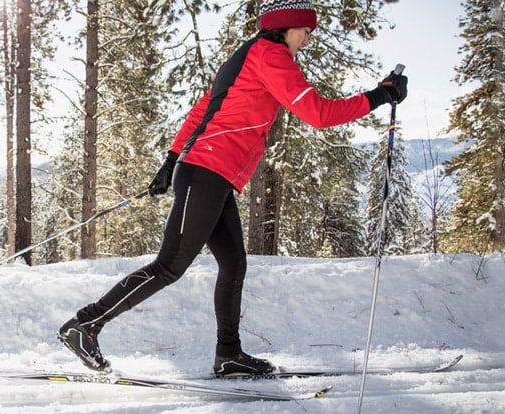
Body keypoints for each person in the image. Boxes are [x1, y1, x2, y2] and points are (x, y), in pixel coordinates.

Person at [58, 0, 408, 377]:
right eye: (306, 29)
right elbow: (319, 114)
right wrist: (380, 95)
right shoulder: (272, 56)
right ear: (288, 26)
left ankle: (229, 354)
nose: (309, 37)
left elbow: (203, 109)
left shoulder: (246, 56)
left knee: (233, 264)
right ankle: (86, 325)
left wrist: (172, 158)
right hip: (207, 169)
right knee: (170, 265)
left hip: (213, 173)